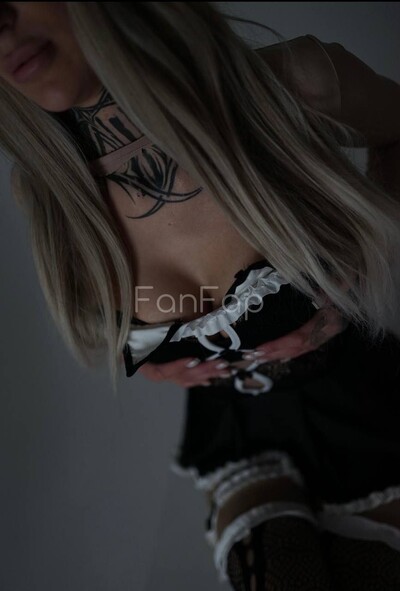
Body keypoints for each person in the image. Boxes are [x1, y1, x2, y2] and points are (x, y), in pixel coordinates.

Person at [1, 2, 400, 588]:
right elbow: (104, 322)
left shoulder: (290, 85)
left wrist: (366, 271)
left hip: (371, 411)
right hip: (237, 442)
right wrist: (155, 361)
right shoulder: (47, 187)